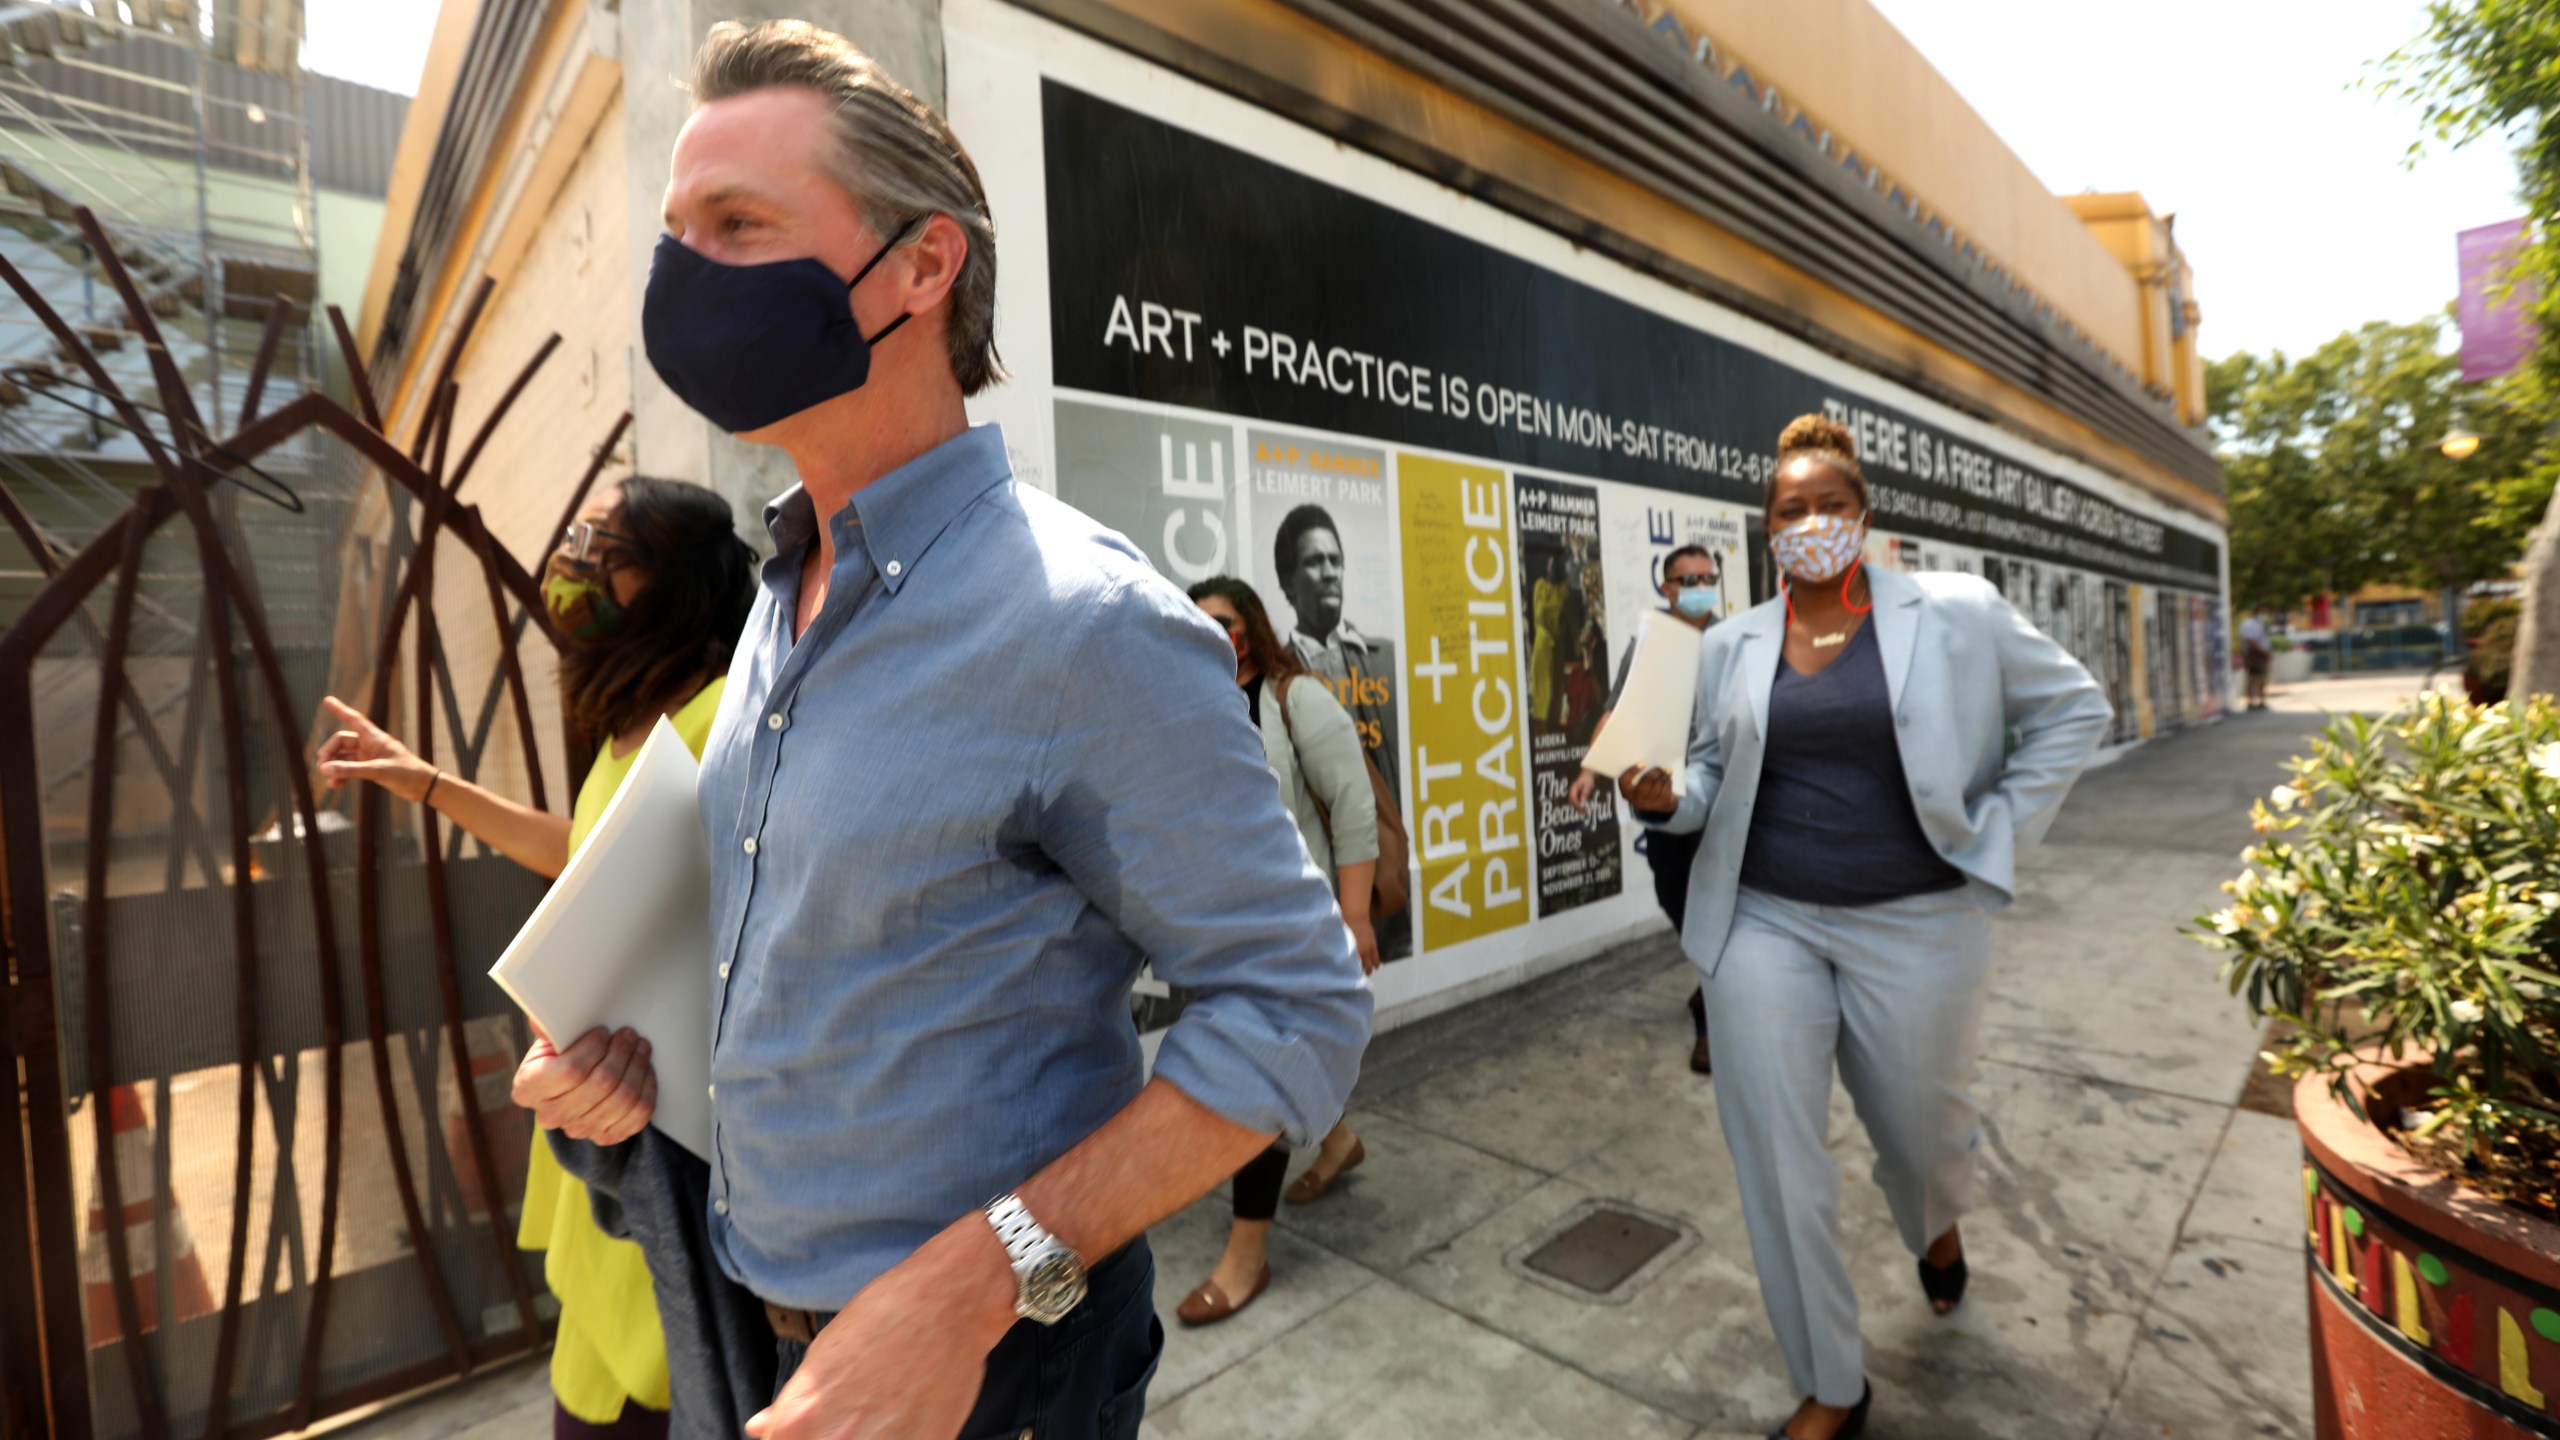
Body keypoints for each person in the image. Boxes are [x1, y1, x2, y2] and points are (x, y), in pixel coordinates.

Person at [511, 22, 1371, 1440]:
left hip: (997, 1379)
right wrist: (621, 1074)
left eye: (739, 224)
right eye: (676, 231)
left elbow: (1298, 1009)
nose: (683, 275)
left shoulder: (1086, 625)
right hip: (755, 1345)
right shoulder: (781, 594)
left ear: (921, 265)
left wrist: (982, 1285)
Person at [1619, 415, 2110, 1440]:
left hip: (1921, 921)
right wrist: (1670, 796)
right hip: (1764, 920)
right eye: (1788, 511)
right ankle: (1831, 1386)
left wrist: (1998, 830)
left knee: (1920, 1137)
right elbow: (1711, 776)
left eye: (1827, 505)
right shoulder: (1733, 646)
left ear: (1864, 516)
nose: (1809, 525)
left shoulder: (1956, 613)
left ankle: (1934, 1227)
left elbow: (2075, 708)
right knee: (1773, 1148)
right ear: (1766, 529)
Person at [314, 478, 759, 1440]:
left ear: (676, 583)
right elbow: (583, 849)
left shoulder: (727, 716)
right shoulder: (635, 724)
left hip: (664, 1151)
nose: (576, 552)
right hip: (595, 1149)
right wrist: (424, 780)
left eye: (610, 540)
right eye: (580, 529)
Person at [1176, 577, 1379, 1326]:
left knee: (1257, 1078)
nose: (1214, 637)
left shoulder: (1296, 699)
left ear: (1253, 628)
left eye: (1226, 623)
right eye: (1196, 624)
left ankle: (1244, 1260)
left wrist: (1355, 916)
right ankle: (1340, 1141)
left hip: (1298, 925)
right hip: (1221, 925)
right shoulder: (1188, 704)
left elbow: (1354, 802)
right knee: (1282, 1059)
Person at [1567, 542, 1724, 1074]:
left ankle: (1713, 1019)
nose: (1700, 586)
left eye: (1708, 576)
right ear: (1667, 588)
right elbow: (1617, 709)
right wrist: (1591, 770)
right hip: (1661, 794)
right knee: (1673, 893)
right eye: (1688, 579)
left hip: (1719, 801)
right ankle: (1709, 976)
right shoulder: (1651, 644)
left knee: (1713, 904)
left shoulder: (1734, 641)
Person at [2239, 607, 2273, 711]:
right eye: (2262, 613)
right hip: (2255, 655)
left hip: (2260, 654)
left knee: (2262, 678)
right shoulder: (2249, 624)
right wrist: (2263, 653)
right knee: (2253, 678)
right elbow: (2251, 641)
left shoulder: (2258, 624)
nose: (2263, 615)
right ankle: (2251, 702)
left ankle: (2261, 701)